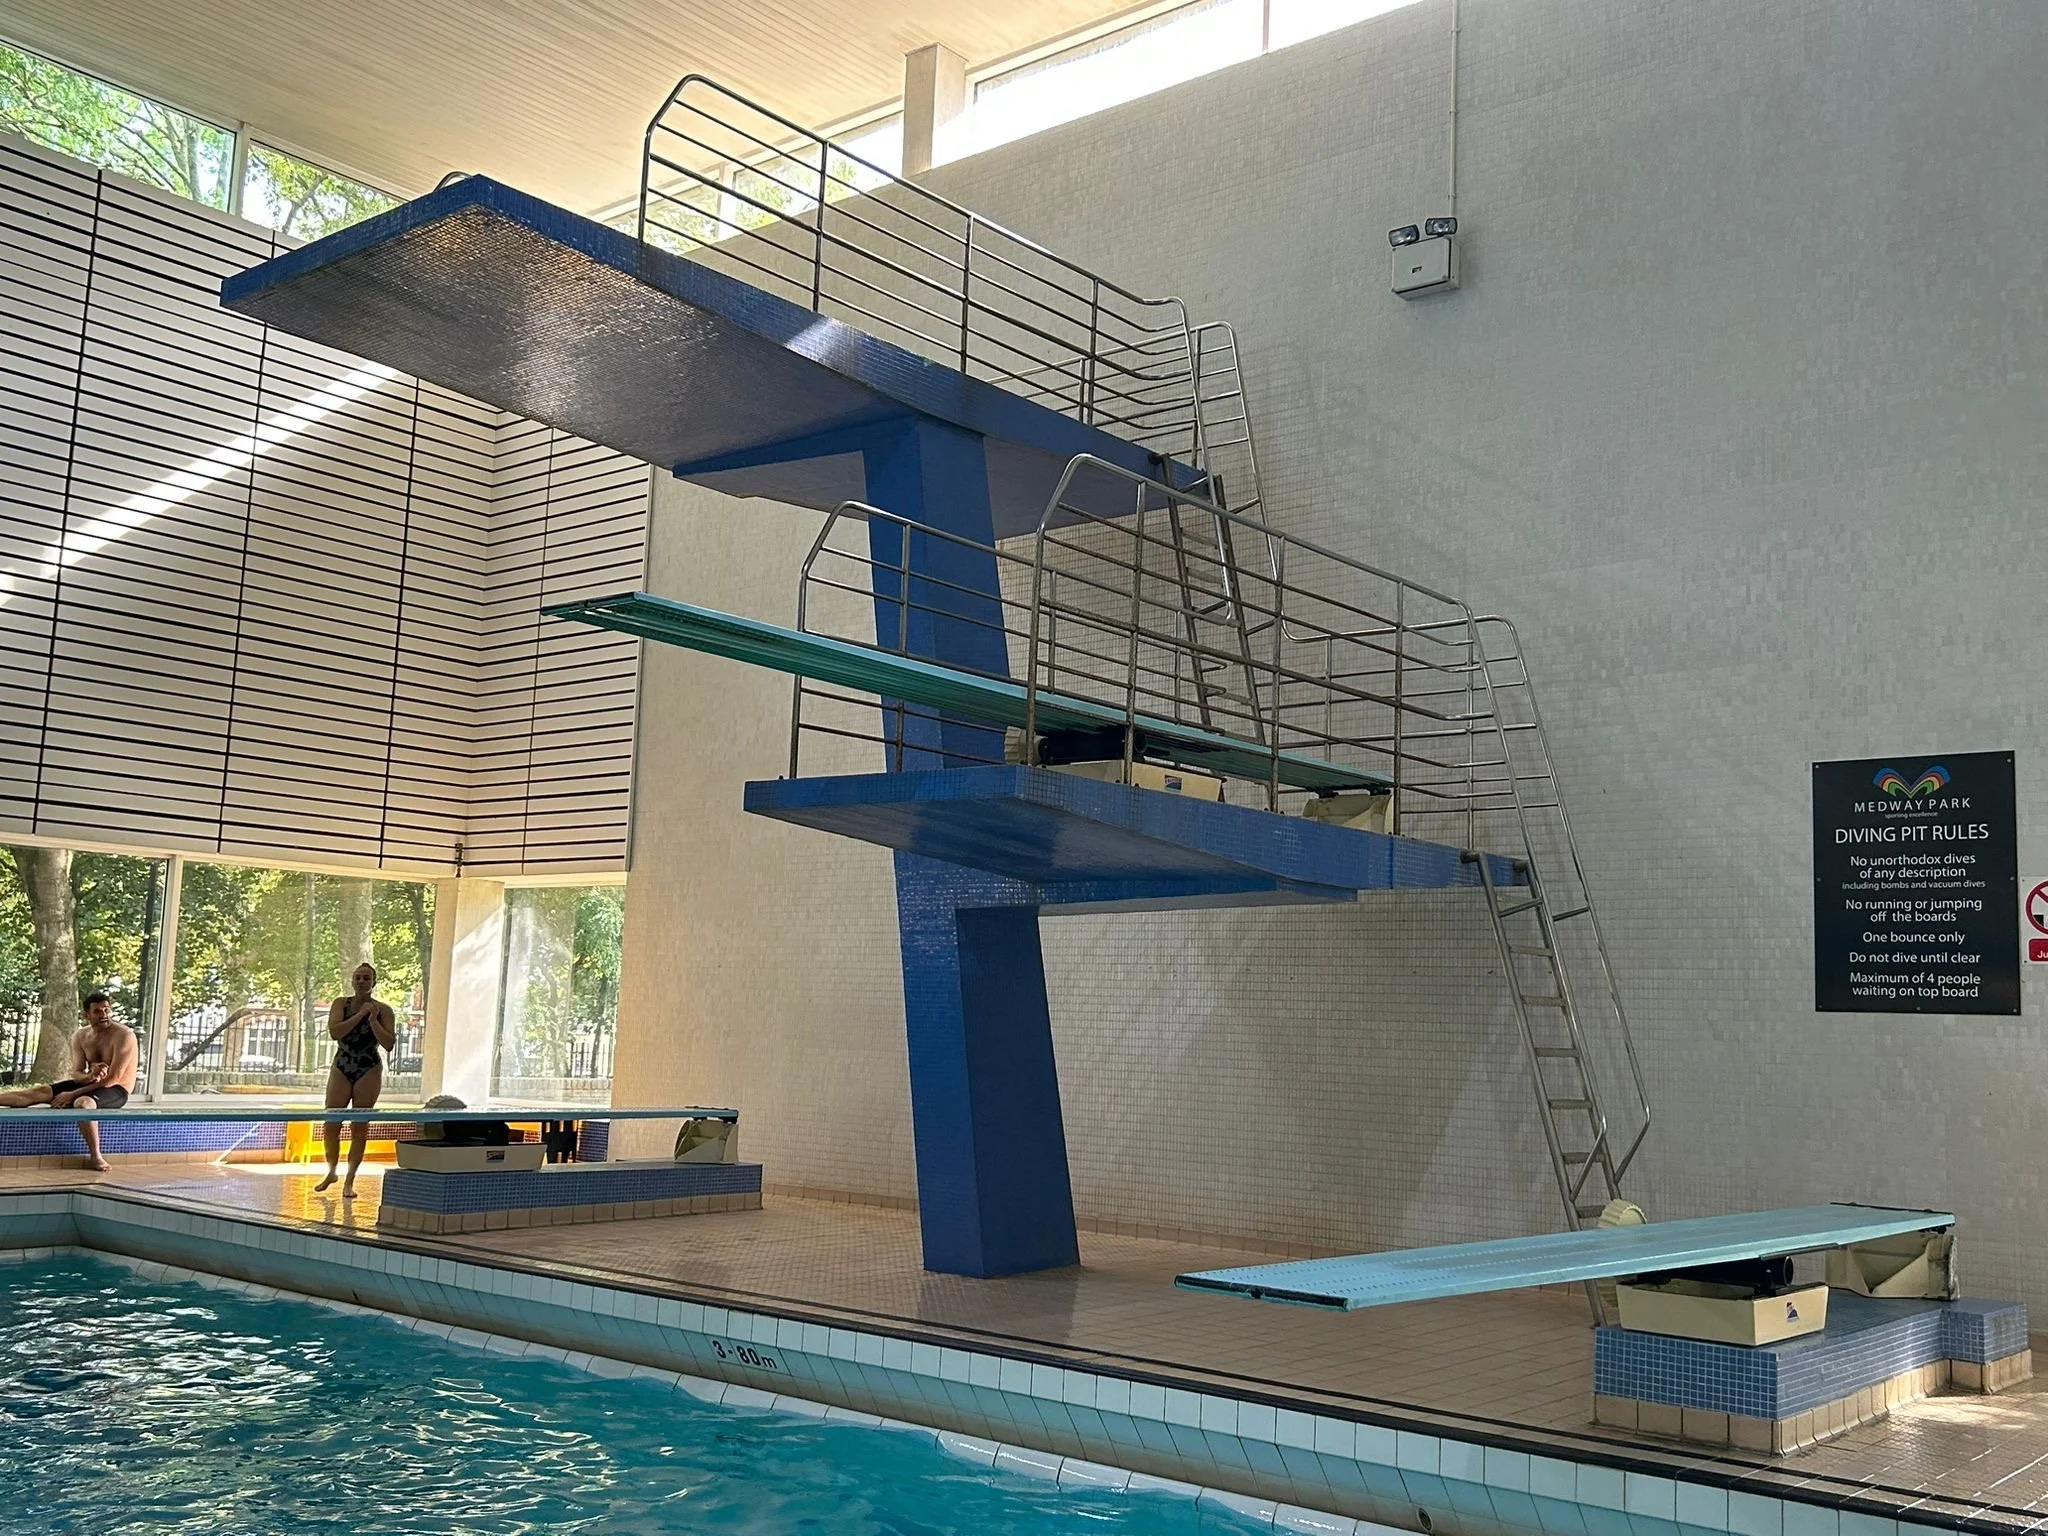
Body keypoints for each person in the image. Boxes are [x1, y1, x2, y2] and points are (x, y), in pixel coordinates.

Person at [0, 992, 139, 1173]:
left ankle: (95, 1155)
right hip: (91, 1085)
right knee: (41, 1091)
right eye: (97, 1011)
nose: (104, 1015)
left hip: (117, 1089)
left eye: (106, 1010)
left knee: (83, 1103)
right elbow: (77, 1073)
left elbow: (113, 1078)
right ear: (86, 1015)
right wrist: (89, 1076)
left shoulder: (124, 1035)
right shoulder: (80, 1036)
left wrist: (72, 1094)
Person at [316, 963, 395, 1198]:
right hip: (343, 1063)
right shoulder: (341, 1004)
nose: (362, 981)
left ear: (374, 982)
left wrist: (372, 1020)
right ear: (352, 981)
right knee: (331, 1124)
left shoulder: (384, 1010)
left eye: (367, 978)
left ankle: (349, 1181)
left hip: (368, 1066)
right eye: (358, 978)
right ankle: (331, 1171)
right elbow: (335, 1032)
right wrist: (360, 1014)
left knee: (359, 1126)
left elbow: (389, 1044)